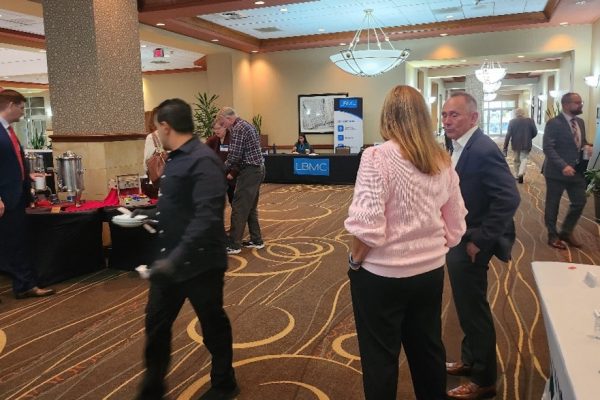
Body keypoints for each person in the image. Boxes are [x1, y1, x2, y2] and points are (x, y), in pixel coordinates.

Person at [345, 85, 467, 400]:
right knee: (428, 351)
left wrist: (354, 262)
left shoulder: (376, 157)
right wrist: (432, 249)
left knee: (380, 358)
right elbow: (456, 226)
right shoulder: (442, 159)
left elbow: (366, 228)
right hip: (429, 273)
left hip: (381, 277)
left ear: (387, 117)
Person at [134, 99, 238, 400]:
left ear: (166, 127)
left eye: (157, 129)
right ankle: (152, 388)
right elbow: (178, 207)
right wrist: (146, 216)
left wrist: (175, 259)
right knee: (155, 324)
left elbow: (207, 217)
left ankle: (224, 382)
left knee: (212, 324)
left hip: (202, 263)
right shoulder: (176, 157)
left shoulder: (203, 160)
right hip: (170, 261)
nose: (157, 134)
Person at [442, 92, 520, 400]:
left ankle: (484, 378)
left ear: (474, 118)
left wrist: (480, 240)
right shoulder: (461, 145)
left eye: (455, 115)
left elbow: (510, 198)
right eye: (445, 115)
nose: (447, 120)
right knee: (466, 305)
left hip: (472, 241)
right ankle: (471, 359)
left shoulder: (483, 149)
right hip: (461, 235)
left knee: (474, 311)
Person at [0, 89, 55, 300]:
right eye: (22, 108)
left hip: (16, 195)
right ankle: (25, 284)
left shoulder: (9, 131)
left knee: (17, 242)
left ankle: (24, 284)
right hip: (5, 199)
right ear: (11, 105)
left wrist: (26, 175)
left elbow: (9, 162)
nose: (23, 113)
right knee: (13, 243)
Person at [542, 92, 593, 249]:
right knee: (553, 204)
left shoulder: (580, 122)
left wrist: (586, 146)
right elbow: (548, 148)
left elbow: (580, 141)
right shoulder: (554, 123)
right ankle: (552, 235)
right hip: (556, 172)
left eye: (581, 102)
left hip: (576, 171)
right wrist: (563, 165)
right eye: (577, 102)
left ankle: (566, 232)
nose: (581, 105)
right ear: (566, 105)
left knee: (579, 201)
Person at [216, 107, 265, 254]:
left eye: (223, 122)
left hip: (250, 171)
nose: (223, 126)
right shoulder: (247, 124)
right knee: (250, 206)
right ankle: (256, 240)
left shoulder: (237, 128)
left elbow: (234, 156)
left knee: (239, 206)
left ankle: (234, 244)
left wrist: (220, 170)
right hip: (259, 169)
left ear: (228, 118)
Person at [502, 108, 538, 183]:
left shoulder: (512, 122)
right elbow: (535, 132)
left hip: (515, 144)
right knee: (524, 158)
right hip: (526, 143)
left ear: (515, 114)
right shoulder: (530, 120)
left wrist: (505, 147)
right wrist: (529, 137)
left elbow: (508, 135)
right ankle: (521, 172)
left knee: (516, 160)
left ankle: (516, 174)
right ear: (523, 113)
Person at [206, 120, 237, 204]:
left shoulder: (233, 138)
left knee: (233, 200)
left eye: (218, 128)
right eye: (214, 129)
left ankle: (238, 217)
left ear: (225, 128)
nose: (216, 131)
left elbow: (238, 157)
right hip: (218, 176)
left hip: (231, 176)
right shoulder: (212, 140)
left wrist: (233, 173)